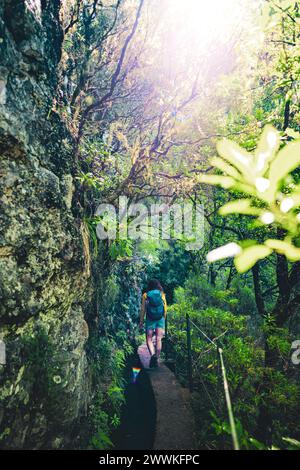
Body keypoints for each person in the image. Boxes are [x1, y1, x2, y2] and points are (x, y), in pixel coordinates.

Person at [139, 279, 167, 368]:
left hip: (150, 318)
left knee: (149, 339)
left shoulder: (145, 295)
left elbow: (143, 309)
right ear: (158, 285)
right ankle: (156, 358)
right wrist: (164, 317)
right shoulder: (161, 294)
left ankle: (152, 355)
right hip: (160, 318)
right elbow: (165, 307)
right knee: (159, 339)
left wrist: (141, 321)